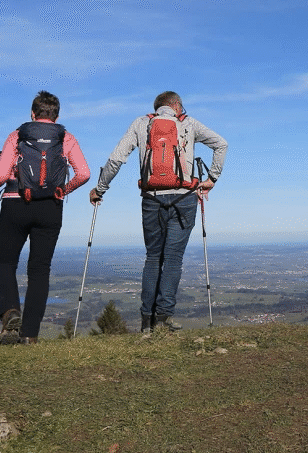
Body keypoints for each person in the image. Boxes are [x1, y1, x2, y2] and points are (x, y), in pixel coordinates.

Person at [89, 91, 227, 333]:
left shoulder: (142, 123)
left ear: (157, 107)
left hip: (152, 199)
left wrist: (100, 189)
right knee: (173, 259)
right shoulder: (188, 123)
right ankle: (163, 318)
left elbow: (116, 159)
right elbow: (221, 144)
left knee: (153, 258)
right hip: (184, 199)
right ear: (176, 106)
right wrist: (212, 178)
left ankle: (146, 321)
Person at [0, 91, 90, 344]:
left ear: (32, 113)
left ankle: (10, 312)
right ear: (56, 115)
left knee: (5, 263)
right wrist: (62, 191)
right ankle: (30, 334)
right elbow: (84, 174)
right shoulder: (66, 138)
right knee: (40, 270)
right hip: (50, 208)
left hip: (15, 204)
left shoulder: (18, 135)